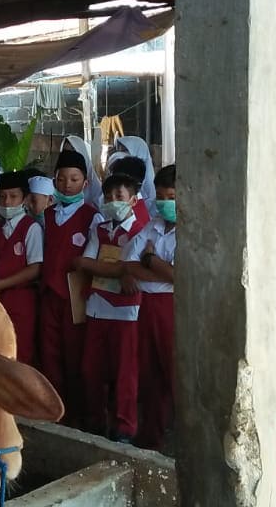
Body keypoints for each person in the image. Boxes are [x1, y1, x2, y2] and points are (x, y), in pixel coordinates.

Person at [75, 172, 148, 443]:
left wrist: (122, 270)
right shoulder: (100, 228)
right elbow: (83, 262)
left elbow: (135, 268)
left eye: (120, 196)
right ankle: (95, 421)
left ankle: (124, 427)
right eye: (109, 196)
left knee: (124, 372)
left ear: (133, 200)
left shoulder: (142, 230)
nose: (113, 200)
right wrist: (121, 270)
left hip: (126, 311)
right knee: (91, 369)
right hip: (97, 306)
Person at [38, 148, 101, 423]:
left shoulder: (92, 216)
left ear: (85, 183)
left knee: (75, 355)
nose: (67, 185)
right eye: (62, 179)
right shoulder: (48, 215)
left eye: (74, 180)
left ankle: (78, 416)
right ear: (54, 181)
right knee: (49, 354)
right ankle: (55, 412)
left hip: (75, 295)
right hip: (48, 293)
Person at [128, 165, 177, 451]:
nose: (164, 202)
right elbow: (127, 263)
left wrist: (150, 261)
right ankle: (151, 435)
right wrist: (160, 269)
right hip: (148, 304)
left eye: (170, 195)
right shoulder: (153, 225)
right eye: (159, 196)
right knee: (150, 374)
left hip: (173, 307)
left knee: (175, 373)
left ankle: (184, 438)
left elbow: (180, 278)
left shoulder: (192, 229)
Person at [0, 170, 44, 364]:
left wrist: (2, 284)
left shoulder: (31, 228)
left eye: (13, 197)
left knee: (21, 350)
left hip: (22, 298)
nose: (7, 202)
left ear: (25, 199)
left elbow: (35, 268)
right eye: (2, 197)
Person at [113, 136, 157, 211]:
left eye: (125, 150)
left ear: (139, 151)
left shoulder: (152, 194)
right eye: (119, 149)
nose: (121, 153)